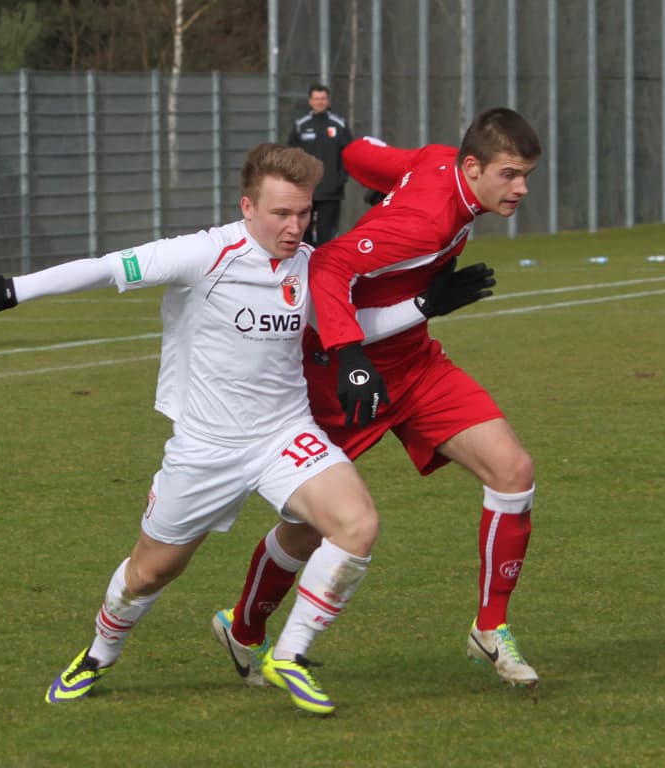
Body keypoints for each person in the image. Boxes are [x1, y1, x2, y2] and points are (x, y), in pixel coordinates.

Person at [0, 143, 492, 715]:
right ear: (248, 207)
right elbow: (108, 266)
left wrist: (425, 303)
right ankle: (98, 654)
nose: (295, 226)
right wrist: (11, 290)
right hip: (205, 447)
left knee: (357, 524)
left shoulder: (311, 263)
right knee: (151, 572)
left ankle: (289, 655)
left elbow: (350, 325)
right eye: (281, 214)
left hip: (284, 434)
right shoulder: (204, 253)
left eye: (304, 214)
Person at [212, 107, 544, 699]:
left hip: (414, 364)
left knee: (514, 472)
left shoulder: (438, 161)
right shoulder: (425, 221)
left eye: (527, 175)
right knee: (310, 527)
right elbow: (331, 266)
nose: (521, 188)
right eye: (511, 174)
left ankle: (490, 627)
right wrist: (351, 357)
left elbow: (360, 151)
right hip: (343, 370)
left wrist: (384, 184)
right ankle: (243, 629)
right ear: (472, 166)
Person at [287, 83, 353, 247]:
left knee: (327, 238)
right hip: (305, 191)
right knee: (303, 235)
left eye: (323, 98)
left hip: (331, 192)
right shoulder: (301, 125)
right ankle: (305, 269)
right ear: (310, 101)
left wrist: (340, 179)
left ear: (328, 100)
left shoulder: (340, 125)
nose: (320, 102)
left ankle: (324, 269)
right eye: (316, 99)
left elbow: (350, 155)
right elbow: (290, 156)